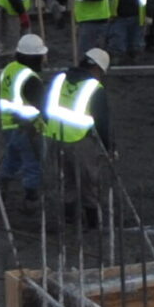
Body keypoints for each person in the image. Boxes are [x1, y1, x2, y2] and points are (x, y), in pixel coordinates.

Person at [45, 46, 108, 225]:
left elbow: (45, 105)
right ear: (97, 69)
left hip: (56, 137)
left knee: (68, 180)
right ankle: (92, 221)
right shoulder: (94, 87)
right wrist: (108, 147)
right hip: (80, 140)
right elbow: (102, 121)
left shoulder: (59, 79)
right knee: (88, 181)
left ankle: (69, 218)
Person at [0, 33, 49, 198]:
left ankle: (3, 184)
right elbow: (43, 106)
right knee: (33, 163)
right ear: (35, 57)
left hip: (8, 125)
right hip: (27, 127)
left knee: (13, 157)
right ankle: (31, 198)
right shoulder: (29, 78)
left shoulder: (10, 69)